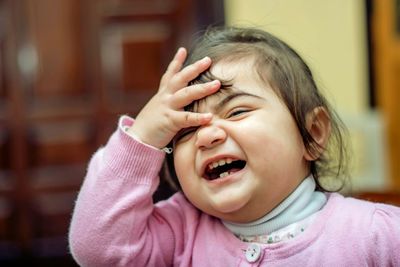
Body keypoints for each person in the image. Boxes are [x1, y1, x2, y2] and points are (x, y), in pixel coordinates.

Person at [69, 26, 400, 266]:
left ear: (312, 133)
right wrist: (142, 137)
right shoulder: (181, 232)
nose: (206, 136)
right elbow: (98, 249)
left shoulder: (377, 235)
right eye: (184, 132)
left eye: (237, 111)